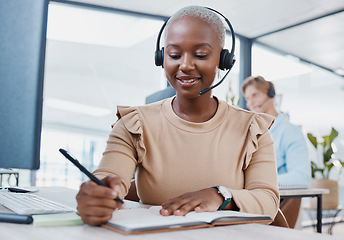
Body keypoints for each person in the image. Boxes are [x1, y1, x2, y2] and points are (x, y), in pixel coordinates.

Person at [76, 6, 279, 226]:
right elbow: (108, 175)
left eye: (200, 55)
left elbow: (268, 202)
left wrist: (221, 196)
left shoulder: (253, 129)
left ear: (223, 60)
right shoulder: (134, 124)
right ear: (161, 57)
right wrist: (97, 195)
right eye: (174, 55)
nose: (185, 65)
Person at [241, 75, 311, 228]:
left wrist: (259, 182)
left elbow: (302, 177)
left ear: (271, 96)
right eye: (247, 98)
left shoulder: (290, 132)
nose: (250, 102)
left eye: (255, 95)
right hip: (250, 201)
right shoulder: (249, 132)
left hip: (277, 203)